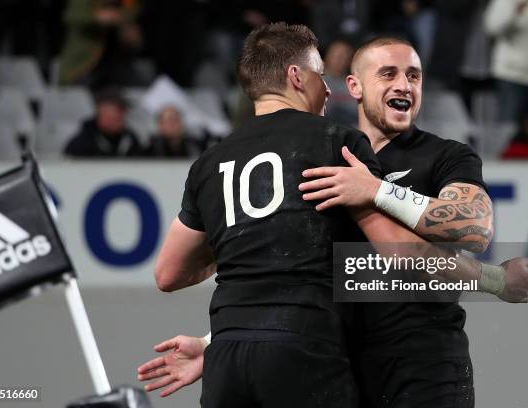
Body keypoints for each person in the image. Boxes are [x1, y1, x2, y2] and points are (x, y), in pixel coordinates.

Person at [137, 35, 528, 407]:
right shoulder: (327, 150)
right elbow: (291, 265)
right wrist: (214, 342)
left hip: (424, 366)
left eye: (414, 75)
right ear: (354, 86)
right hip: (346, 363)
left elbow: (475, 227)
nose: (405, 85)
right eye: (389, 73)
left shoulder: (446, 156)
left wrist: (377, 191)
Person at [147, 22, 390, 408]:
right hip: (306, 347)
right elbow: (386, 254)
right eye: (320, 75)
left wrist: (236, 242)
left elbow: (168, 273)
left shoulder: (209, 163)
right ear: (296, 76)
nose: (327, 88)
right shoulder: (337, 142)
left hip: (226, 354)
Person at [64, 88, 143, 157]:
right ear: (101, 110)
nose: (122, 114)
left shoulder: (131, 139)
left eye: (123, 110)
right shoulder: (81, 144)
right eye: (118, 109)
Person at [322, 40, 358, 126]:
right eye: (336, 56)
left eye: (344, 57)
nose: (340, 60)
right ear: (327, 56)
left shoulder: (354, 84)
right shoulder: (315, 81)